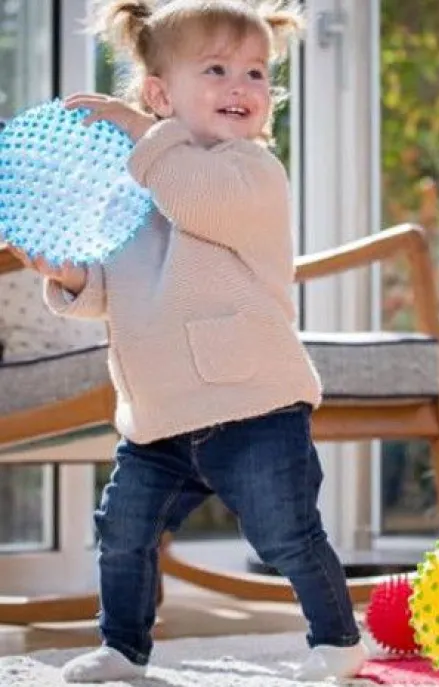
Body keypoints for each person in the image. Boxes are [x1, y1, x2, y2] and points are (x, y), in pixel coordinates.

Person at [10, 0, 366, 682]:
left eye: (256, 72)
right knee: (124, 532)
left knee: (287, 533)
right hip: (159, 417)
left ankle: (337, 639)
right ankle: (123, 647)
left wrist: (144, 136)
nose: (242, 86)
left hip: (254, 406)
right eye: (217, 70)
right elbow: (117, 287)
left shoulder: (251, 173)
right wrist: (73, 275)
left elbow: (193, 197)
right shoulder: (136, 187)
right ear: (159, 93)